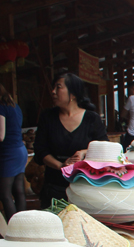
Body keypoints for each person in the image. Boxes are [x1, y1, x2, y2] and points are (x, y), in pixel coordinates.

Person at [32, 71, 108, 208]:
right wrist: (61, 166)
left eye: (58, 87)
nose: (53, 91)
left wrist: (84, 152)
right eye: (53, 87)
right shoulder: (47, 117)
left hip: (86, 189)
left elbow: (104, 148)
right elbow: (40, 150)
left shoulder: (92, 118)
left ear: (72, 93)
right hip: (54, 187)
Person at [0, 83, 28, 221]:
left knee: (4, 193)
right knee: (18, 191)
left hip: (9, 153)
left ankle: (13, 226)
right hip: (20, 151)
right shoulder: (15, 106)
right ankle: (22, 224)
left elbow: (1, 135)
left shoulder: (1, 108)